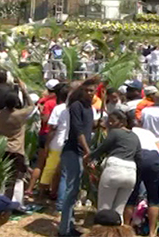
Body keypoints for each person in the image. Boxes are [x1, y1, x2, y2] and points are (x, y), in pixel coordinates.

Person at [59, 78, 98, 237]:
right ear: (81, 92)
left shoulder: (89, 108)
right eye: (87, 90)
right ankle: (64, 230)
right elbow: (78, 130)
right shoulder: (76, 106)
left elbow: (88, 128)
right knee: (71, 190)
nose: (89, 93)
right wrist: (88, 151)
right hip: (73, 151)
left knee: (75, 191)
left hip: (81, 151)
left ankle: (69, 225)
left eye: (92, 91)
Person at [86, 110, 141, 217]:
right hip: (131, 172)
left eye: (112, 121)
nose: (109, 124)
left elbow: (102, 148)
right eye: (109, 121)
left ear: (122, 122)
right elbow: (139, 157)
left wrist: (89, 157)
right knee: (119, 211)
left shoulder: (115, 133)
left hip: (114, 168)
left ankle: (102, 233)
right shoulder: (135, 136)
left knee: (104, 209)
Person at [0, 80, 35, 202]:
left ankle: (1, 202)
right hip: (17, 150)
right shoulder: (20, 115)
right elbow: (32, 106)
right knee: (16, 179)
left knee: (2, 178)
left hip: (2, 149)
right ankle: (10, 203)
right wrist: (24, 90)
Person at [124, 124, 159, 237]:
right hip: (154, 157)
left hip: (139, 155)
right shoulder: (148, 133)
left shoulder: (129, 133)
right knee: (153, 198)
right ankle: (152, 232)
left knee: (131, 196)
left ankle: (127, 228)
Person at [27, 79, 61, 197]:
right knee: (52, 165)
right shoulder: (58, 103)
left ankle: (34, 189)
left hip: (45, 133)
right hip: (53, 135)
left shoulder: (46, 102)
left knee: (41, 164)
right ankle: (47, 190)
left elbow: (45, 119)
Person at [39, 84, 69, 201]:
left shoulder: (59, 108)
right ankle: (54, 193)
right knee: (61, 172)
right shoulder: (75, 107)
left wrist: (47, 145)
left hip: (57, 143)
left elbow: (52, 128)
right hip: (68, 143)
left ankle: (42, 194)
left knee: (49, 170)